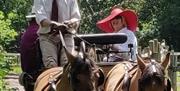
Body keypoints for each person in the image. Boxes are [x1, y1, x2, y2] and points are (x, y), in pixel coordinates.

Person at [34, 0, 81, 68]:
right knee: (51, 64)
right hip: (47, 36)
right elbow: (41, 19)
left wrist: (71, 22)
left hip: (67, 35)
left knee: (67, 64)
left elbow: (76, 18)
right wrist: (53, 24)